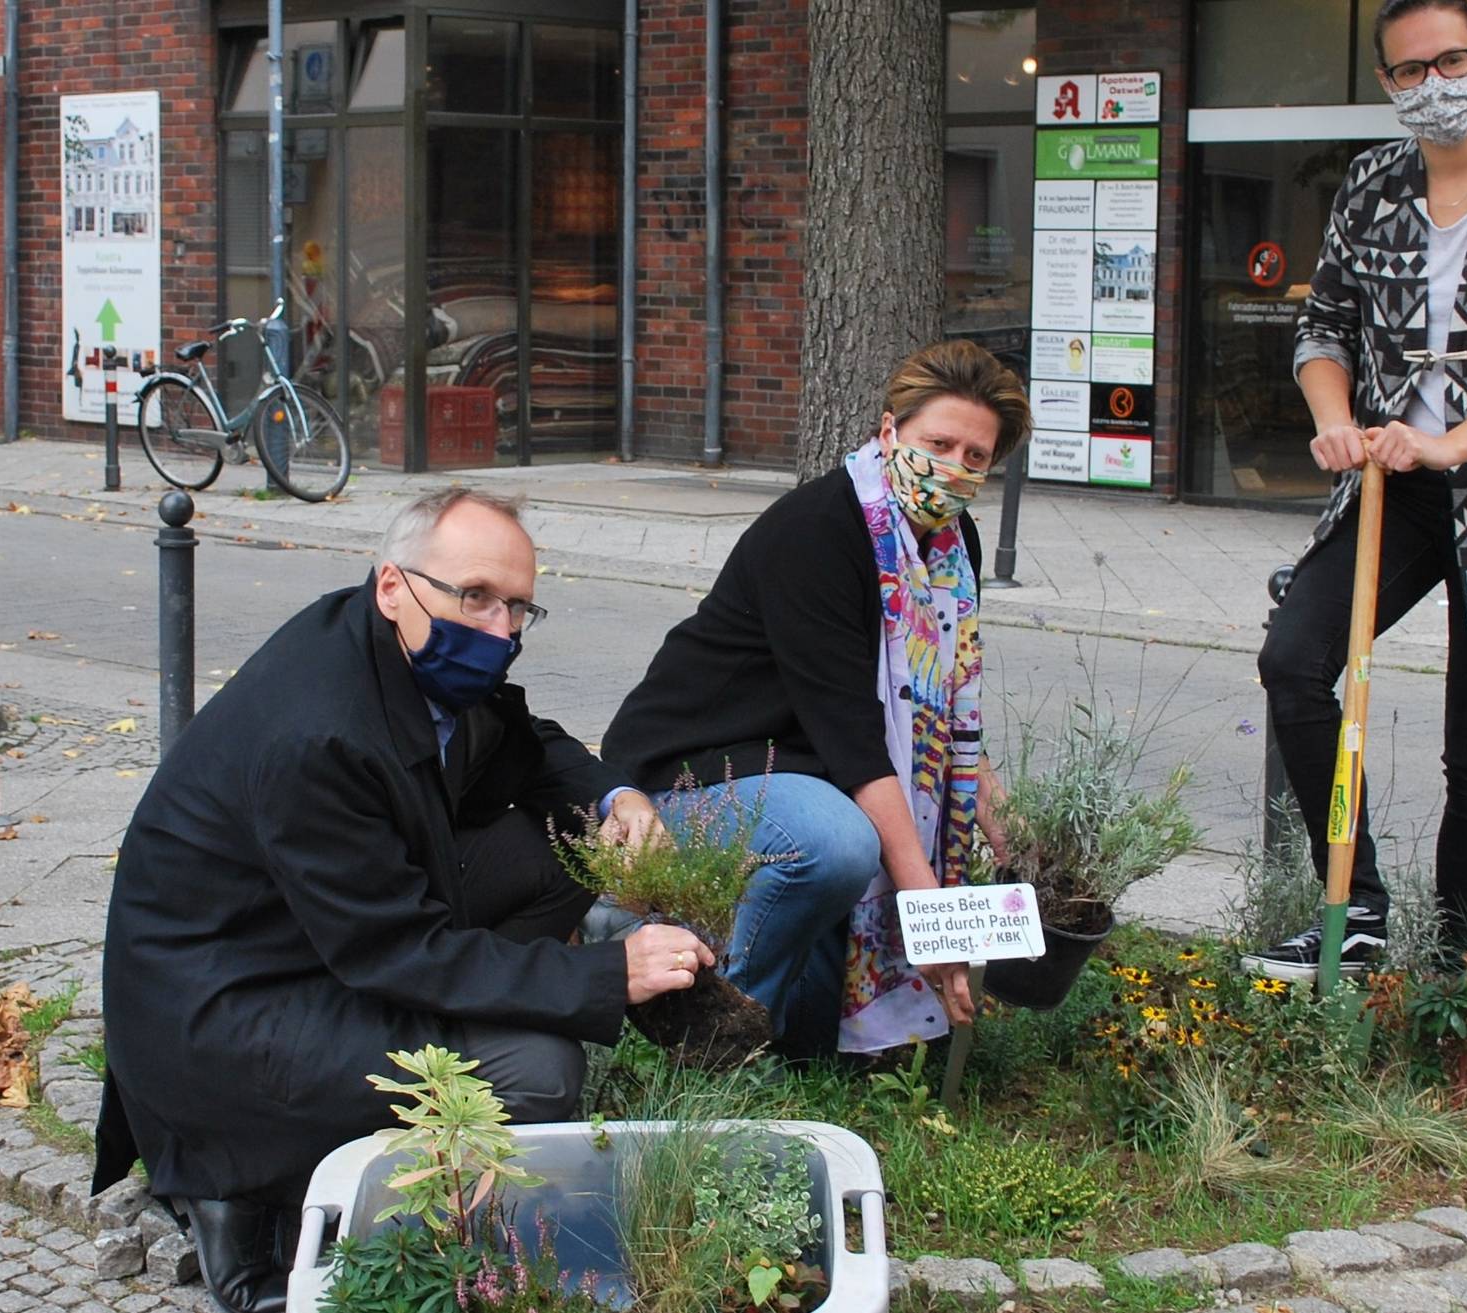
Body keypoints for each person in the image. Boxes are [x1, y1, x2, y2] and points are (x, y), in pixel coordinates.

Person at [93, 488, 712, 1313]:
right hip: (226, 1014)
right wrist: (604, 977)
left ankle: (464, 1020)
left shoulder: (406, 647)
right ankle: (245, 1193)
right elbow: (396, 951)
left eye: (518, 605)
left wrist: (616, 798)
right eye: (476, 596)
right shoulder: (320, 731)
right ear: (393, 584)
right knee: (536, 1068)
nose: (499, 628)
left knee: (565, 849)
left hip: (322, 940)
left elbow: (528, 744)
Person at [1249, 0, 1467, 981]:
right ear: (1388, 83)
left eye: (1449, 61)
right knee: (1294, 662)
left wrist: (1455, 444)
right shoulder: (1371, 185)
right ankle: (1355, 905)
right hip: (1393, 485)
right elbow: (1322, 329)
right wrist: (1333, 417)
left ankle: (1459, 960)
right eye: (1409, 72)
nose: (1432, 85)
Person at [601, 340, 1029, 1057]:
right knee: (837, 842)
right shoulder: (820, 531)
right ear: (890, 431)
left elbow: (945, 706)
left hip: (805, 767)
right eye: (938, 442)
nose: (952, 468)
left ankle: (807, 1035)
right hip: (695, 769)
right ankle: (716, 1040)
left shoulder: (953, 545)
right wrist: (928, 912)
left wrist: (1013, 833)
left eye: (975, 457)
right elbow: (857, 739)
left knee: (842, 839)